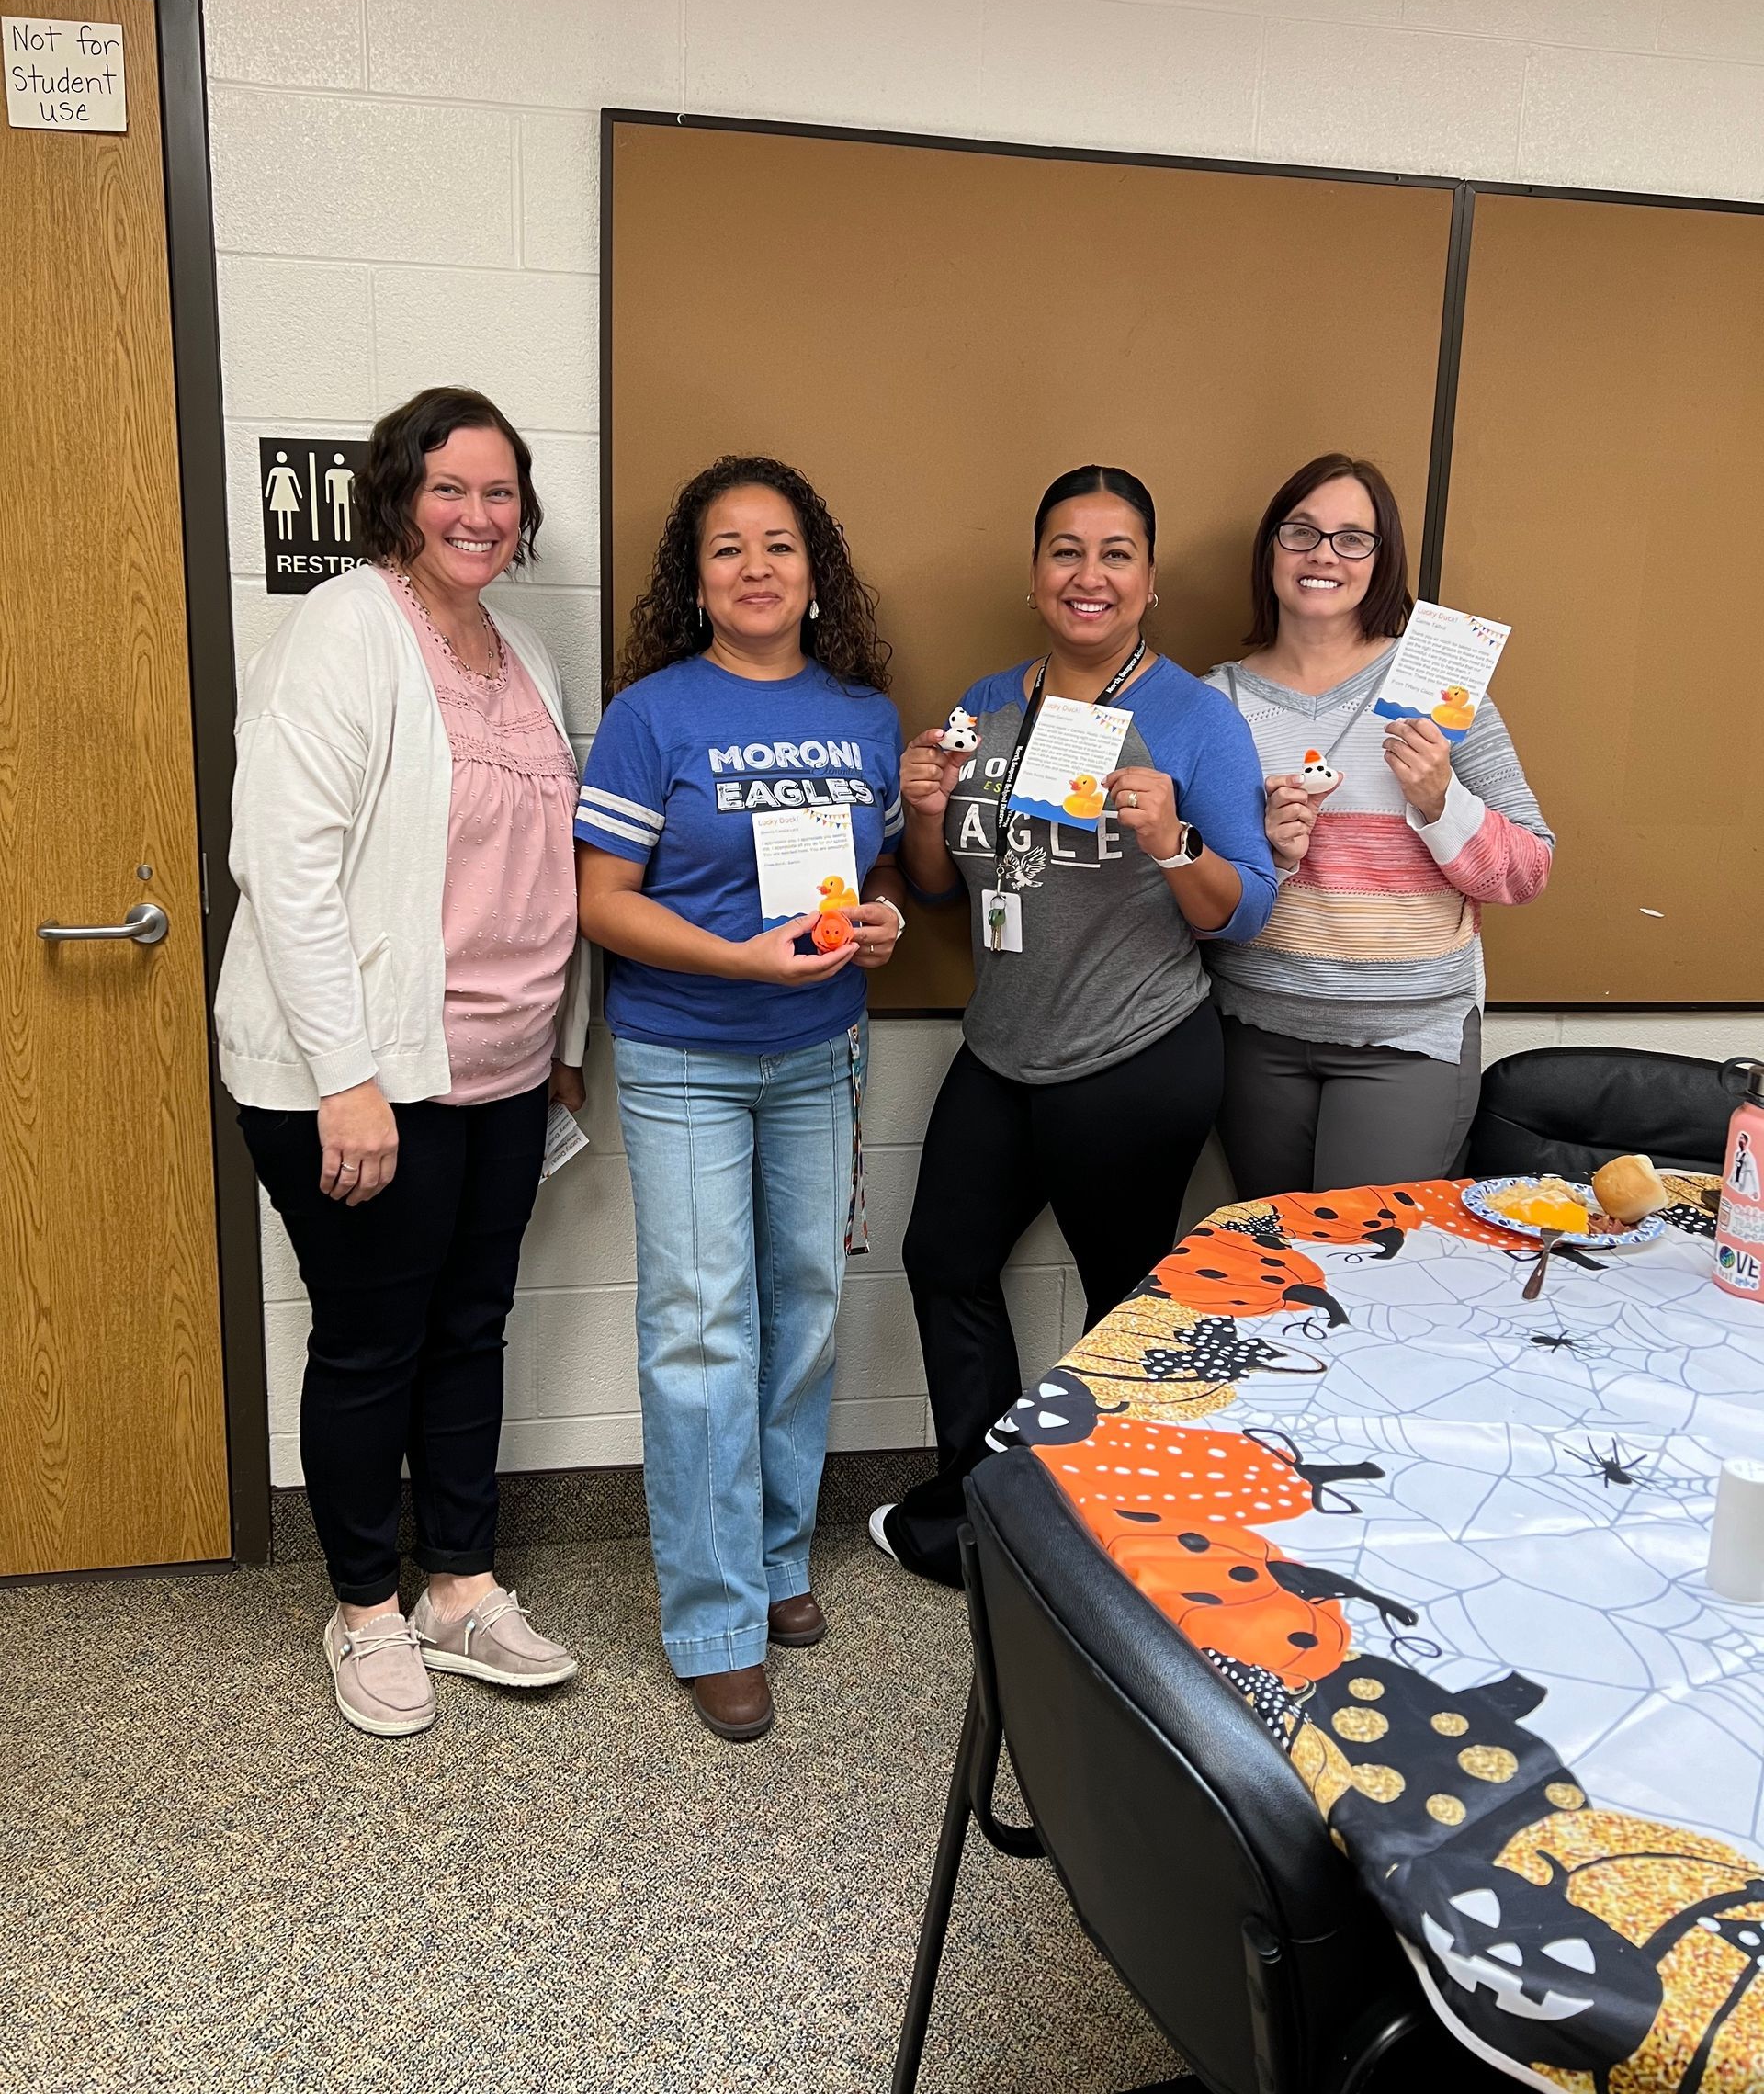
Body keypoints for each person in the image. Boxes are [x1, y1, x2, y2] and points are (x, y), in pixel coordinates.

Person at [216, 386, 588, 1739]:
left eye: (500, 493)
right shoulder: (345, 630)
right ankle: (364, 1606)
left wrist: (561, 1041)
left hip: (497, 1065)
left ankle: (461, 1586)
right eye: (450, 489)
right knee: (373, 1341)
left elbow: (544, 868)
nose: (477, 516)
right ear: (400, 497)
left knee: (472, 1326)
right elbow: (287, 866)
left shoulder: (526, 652)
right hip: (362, 1074)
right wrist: (347, 1073)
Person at [872, 465, 1278, 1587]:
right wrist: (921, 813)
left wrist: (1173, 845)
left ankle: (1104, 1535)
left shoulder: (1196, 719)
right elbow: (943, 890)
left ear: (1148, 582)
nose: (1088, 575)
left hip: (1137, 1053)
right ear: (1036, 570)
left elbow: (1246, 906)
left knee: (1121, 1301)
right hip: (1002, 1046)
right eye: (1066, 550)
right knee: (942, 1258)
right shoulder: (990, 705)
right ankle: (980, 1511)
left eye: (1115, 554)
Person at [574, 456, 904, 1742]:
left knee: (808, 1309)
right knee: (703, 1328)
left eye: (779, 545)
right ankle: (711, 1619)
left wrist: (870, 925)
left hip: (822, 1050)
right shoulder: (652, 716)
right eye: (727, 549)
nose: (756, 567)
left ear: (815, 573)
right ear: (694, 580)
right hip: (685, 1055)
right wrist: (735, 960)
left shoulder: (867, 717)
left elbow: (865, 886)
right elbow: (601, 903)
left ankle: (773, 1559)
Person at [1204, 452, 1553, 1197]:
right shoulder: (1216, 702)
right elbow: (1182, 897)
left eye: (1352, 538)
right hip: (1253, 1032)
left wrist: (1440, 801)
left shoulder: (1443, 699)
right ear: (1271, 549)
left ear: (1382, 558)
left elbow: (1527, 872)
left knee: (1366, 1272)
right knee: (1274, 1264)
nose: (1324, 554)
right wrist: (1271, 854)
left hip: (1410, 1041)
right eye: (1301, 532)